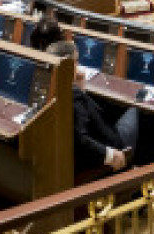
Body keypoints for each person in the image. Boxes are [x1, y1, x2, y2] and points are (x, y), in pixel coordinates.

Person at [48, 40, 139, 173]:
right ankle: (136, 165)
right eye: (76, 61)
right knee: (134, 106)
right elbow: (81, 140)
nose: (78, 65)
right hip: (113, 145)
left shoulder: (55, 88)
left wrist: (80, 86)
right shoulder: (73, 95)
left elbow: (80, 115)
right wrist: (111, 155)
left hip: (93, 138)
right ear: (68, 65)